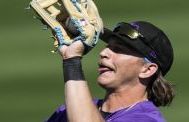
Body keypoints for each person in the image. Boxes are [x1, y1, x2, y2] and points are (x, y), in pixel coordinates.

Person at [45, 21, 175, 122]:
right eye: (108, 47)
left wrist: (72, 62)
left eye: (118, 49)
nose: (103, 53)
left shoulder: (147, 119)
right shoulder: (68, 111)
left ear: (147, 70)